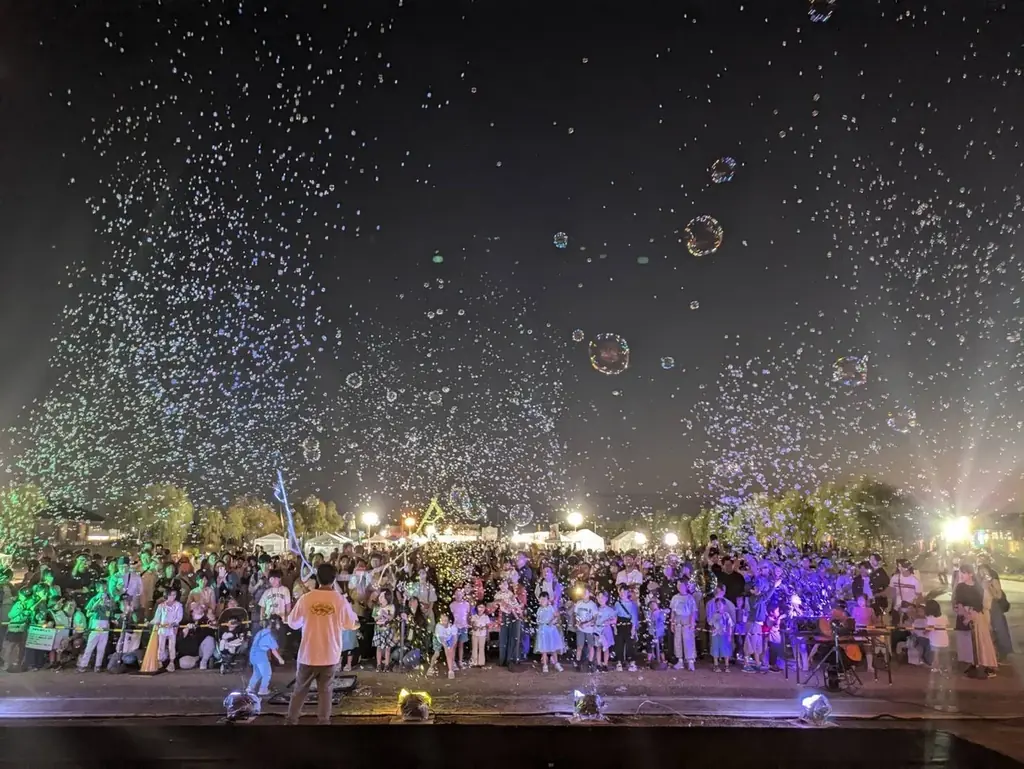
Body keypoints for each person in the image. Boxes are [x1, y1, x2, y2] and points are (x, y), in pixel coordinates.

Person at [285, 562, 359, 725]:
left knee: (299, 690)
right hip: (329, 655)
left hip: (308, 654)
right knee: (325, 692)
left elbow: (292, 623)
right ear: (334, 579)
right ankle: (324, 722)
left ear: (317, 578)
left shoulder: (306, 598)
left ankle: (291, 721)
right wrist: (356, 624)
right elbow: (350, 624)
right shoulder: (339, 600)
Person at [77, 582, 113, 673]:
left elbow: (110, 612)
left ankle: (98, 665)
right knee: (90, 646)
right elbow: (89, 612)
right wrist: (99, 601)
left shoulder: (109, 599)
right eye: (102, 588)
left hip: (105, 624)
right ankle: (83, 665)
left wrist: (108, 604)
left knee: (101, 647)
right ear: (98, 589)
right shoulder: (94, 599)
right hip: (96, 623)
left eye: (106, 587)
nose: (104, 589)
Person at [248, 616, 285, 697]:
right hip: (260, 655)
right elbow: (273, 650)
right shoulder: (270, 635)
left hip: (252, 653)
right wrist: (280, 659)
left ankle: (250, 688)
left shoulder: (261, 632)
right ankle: (263, 690)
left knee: (257, 673)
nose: (279, 626)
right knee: (267, 673)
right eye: (278, 624)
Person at [151, 588, 183, 672]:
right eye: (171, 595)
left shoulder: (178, 605)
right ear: (167, 595)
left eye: (174, 595)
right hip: (162, 628)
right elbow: (157, 618)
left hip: (172, 629)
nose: (173, 597)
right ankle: (160, 661)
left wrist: (174, 623)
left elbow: (179, 617)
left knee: (172, 646)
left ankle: (171, 662)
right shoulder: (161, 606)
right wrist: (152, 622)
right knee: (161, 645)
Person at [670, 579, 697, 671]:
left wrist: (692, 623)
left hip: (687, 621)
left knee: (688, 641)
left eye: (681, 585)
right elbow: (673, 612)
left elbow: (693, 612)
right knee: (678, 641)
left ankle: (690, 661)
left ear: (685, 587)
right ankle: (680, 660)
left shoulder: (690, 598)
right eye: (678, 585)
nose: (679, 587)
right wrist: (672, 623)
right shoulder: (675, 598)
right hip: (678, 621)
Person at [534, 592, 564, 673]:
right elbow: (538, 619)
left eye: (544, 599)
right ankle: (545, 664)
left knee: (553, 647)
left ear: (548, 600)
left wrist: (553, 621)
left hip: (551, 630)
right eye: (541, 599)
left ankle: (556, 663)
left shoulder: (551, 607)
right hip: (543, 630)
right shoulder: (539, 609)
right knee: (544, 648)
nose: (542, 601)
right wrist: (540, 622)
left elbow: (556, 616)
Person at [430, 612, 459, 679]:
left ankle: (450, 670)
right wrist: (446, 646)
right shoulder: (438, 626)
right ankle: (431, 667)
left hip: (448, 638)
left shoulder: (453, 626)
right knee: (437, 654)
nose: (443, 622)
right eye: (442, 620)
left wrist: (451, 646)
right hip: (438, 639)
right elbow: (441, 639)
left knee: (450, 653)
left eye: (445, 620)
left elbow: (455, 638)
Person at [450, 588, 471, 670]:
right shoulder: (452, 605)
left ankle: (460, 661)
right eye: (456, 594)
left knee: (461, 645)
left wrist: (468, 624)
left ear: (463, 595)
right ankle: (453, 662)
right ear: (454, 595)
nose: (458, 596)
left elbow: (468, 615)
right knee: (454, 645)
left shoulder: (467, 604)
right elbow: (452, 617)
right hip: (455, 627)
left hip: (464, 627)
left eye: (460, 594)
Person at [469, 603, 491, 668]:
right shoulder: (474, 616)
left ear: (485, 608)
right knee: (474, 648)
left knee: (481, 648)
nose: (481, 609)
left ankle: (481, 662)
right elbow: (472, 624)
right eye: (479, 607)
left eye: (482, 607)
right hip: (475, 634)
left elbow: (487, 626)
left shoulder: (486, 617)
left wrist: (485, 630)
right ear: (477, 608)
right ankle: (474, 662)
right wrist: (474, 627)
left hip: (482, 634)